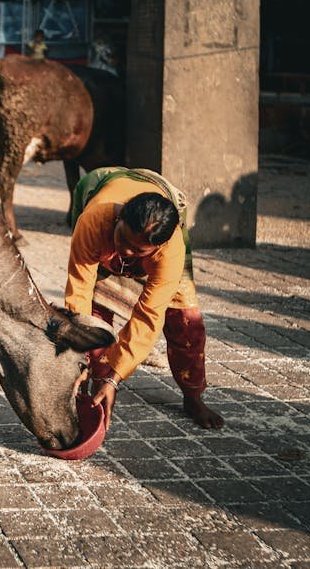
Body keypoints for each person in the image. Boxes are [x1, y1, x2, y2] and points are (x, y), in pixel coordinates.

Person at [65, 166, 224, 430]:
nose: (124, 251)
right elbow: (78, 291)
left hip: (158, 244)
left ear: (158, 247)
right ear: (118, 218)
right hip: (103, 207)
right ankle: (97, 378)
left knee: (186, 321)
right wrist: (77, 357)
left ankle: (193, 396)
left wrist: (117, 377)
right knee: (94, 315)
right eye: (122, 238)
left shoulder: (170, 250)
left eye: (136, 250)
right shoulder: (93, 221)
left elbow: (148, 316)